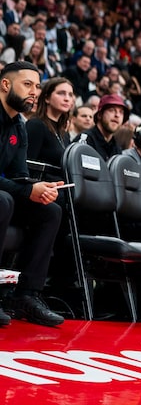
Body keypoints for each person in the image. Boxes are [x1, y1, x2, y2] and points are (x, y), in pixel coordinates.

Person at [0, 61, 66, 327]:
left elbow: (17, 176)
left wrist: (39, 190)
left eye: (37, 86)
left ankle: (26, 295)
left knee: (50, 210)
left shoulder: (19, 125)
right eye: (27, 84)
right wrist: (27, 190)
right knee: (3, 200)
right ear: (5, 85)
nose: (34, 92)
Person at [25, 76, 74, 169]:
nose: (67, 98)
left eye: (70, 95)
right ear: (47, 98)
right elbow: (27, 164)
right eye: (61, 93)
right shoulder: (36, 125)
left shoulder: (64, 131)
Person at [84, 93, 129, 163]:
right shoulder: (86, 140)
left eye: (121, 112)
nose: (117, 115)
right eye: (112, 110)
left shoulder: (117, 148)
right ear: (99, 115)